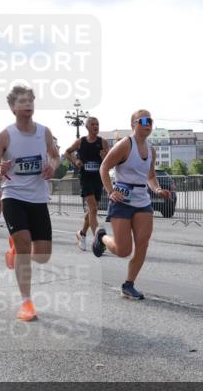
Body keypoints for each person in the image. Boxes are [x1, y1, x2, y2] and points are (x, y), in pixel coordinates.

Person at [0, 85, 61, 322]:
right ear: (12, 107)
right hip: (13, 196)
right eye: (22, 101)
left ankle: (16, 250)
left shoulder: (44, 132)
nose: (27, 104)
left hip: (38, 199)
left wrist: (52, 166)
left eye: (30, 100)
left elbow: (56, 156)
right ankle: (26, 301)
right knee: (25, 243)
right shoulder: (6, 135)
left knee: (43, 255)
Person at [92, 110, 172, 300]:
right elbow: (104, 167)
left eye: (150, 121)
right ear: (133, 124)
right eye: (143, 120)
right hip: (122, 201)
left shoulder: (151, 150)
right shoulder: (125, 145)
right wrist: (111, 191)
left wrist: (158, 189)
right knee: (123, 250)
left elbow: (150, 176)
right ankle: (101, 237)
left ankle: (128, 285)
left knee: (142, 244)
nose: (148, 124)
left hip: (142, 201)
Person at [64, 117, 109, 251]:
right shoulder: (81, 141)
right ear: (87, 127)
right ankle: (97, 241)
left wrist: (104, 157)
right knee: (93, 208)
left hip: (98, 179)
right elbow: (67, 152)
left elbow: (109, 161)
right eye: (93, 124)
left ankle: (82, 234)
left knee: (92, 210)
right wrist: (75, 161)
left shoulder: (103, 142)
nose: (96, 126)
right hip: (85, 178)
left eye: (97, 124)